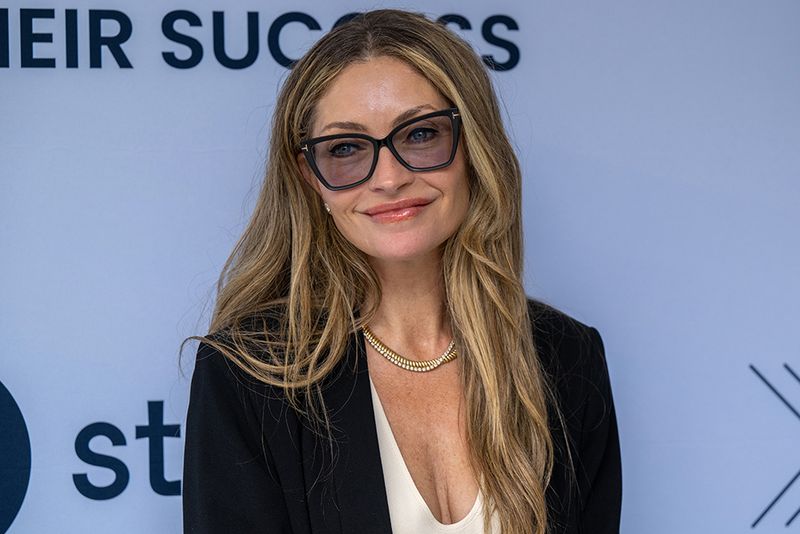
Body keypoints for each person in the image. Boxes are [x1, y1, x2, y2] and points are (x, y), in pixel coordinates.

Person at [182, 9, 621, 534]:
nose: (389, 178)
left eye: (420, 134)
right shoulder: (250, 375)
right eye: (346, 148)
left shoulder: (568, 357)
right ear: (309, 177)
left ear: (473, 146)